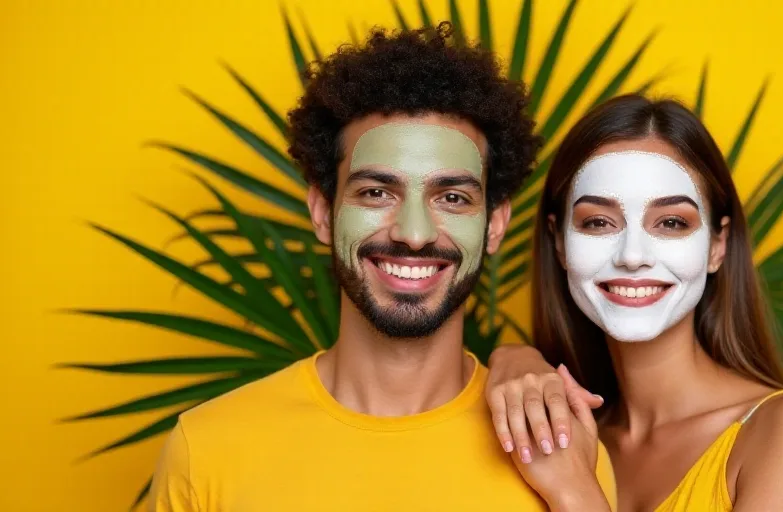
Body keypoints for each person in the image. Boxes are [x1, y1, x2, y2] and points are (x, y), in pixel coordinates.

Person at [148, 24, 616, 511]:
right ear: (323, 212)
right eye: (376, 193)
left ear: (495, 225)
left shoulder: (560, 451)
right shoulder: (206, 450)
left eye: (452, 197)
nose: (413, 234)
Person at [485, 94, 783, 511]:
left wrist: (572, 490)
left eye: (671, 223)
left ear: (717, 245)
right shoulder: (554, 431)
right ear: (559, 243)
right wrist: (515, 358)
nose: (632, 256)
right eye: (598, 222)